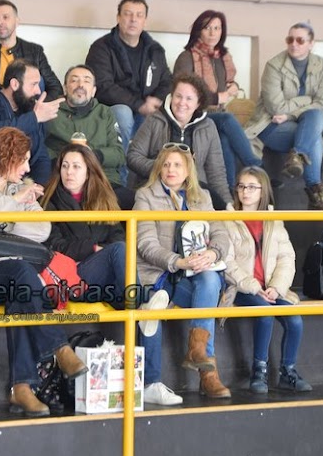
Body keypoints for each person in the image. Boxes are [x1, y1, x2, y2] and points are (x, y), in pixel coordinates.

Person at [0, 127, 87, 417]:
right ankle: (59, 348)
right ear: (7, 157)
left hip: (18, 275)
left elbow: (41, 230)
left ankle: (21, 388)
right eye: (23, 160)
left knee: (21, 290)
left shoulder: (20, 188)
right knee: (22, 273)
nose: (28, 168)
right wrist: (14, 205)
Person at [135, 143, 232, 400]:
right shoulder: (145, 196)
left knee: (210, 280)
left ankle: (200, 358)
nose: (171, 169)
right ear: (159, 168)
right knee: (156, 306)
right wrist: (179, 262)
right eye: (166, 164)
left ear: (188, 170)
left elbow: (221, 234)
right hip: (160, 274)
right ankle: (201, 374)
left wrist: (212, 254)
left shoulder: (203, 197)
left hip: (194, 276)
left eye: (177, 165)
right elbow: (145, 245)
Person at [224, 166, 310, 393]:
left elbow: (286, 258)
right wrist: (254, 287)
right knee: (265, 312)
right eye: (242, 186)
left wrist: (276, 287)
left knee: (295, 320)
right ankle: (258, 372)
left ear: (263, 191)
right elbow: (227, 262)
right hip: (241, 288)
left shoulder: (273, 220)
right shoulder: (226, 219)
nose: (246, 192)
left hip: (271, 288)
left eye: (252, 187)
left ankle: (288, 372)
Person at [245, 22, 323, 210]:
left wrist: (290, 115)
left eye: (300, 40)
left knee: (316, 115)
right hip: (270, 125)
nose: (294, 44)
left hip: (299, 124)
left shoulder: (321, 65)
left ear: (311, 43)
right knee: (314, 135)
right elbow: (276, 107)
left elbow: (322, 102)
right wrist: (307, 100)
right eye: (290, 39)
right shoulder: (274, 65)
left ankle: (297, 155)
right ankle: (316, 194)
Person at [174, 10, 261, 189]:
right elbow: (181, 92)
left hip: (216, 116)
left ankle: (228, 192)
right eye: (207, 28)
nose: (213, 33)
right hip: (193, 116)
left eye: (217, 28)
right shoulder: (187, 57)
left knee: (224, 140)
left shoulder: (222, 57)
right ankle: (256, 167)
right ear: (198, 30)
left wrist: (233, 86)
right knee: (227, 119)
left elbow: (227, 83)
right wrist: (216, 97)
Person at [42, 143, 128, 311]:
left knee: (120, 253)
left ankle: (136, 309)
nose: (69, 172)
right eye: (65, 166)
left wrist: (101, 252)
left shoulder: (103, 198)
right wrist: (93, 248)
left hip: (101, 273)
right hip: (71, 275)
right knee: (118, 250)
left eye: (76, 167)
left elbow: (117, 234)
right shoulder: (49, 201)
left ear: (88, 172)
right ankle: (140, 305)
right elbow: (55, 245)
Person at [85, 0, 173, 159]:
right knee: (123, 113)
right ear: (118, 18)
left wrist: (156, 101)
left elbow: (167, 81)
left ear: (145, 21)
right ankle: (120, 171)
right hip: (112, 109)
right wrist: (139, 105)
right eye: (128, 14)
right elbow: (103, 86)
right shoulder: (101, 48)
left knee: (161, 117)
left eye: (139, 15)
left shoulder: (154, 50)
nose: (133, 20)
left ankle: (149, 171)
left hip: (145, 111)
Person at [128, 72, 232, 209]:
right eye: (178, 96)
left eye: (189, 98)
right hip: (155, 194)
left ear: (198, 103)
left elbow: (216, 173)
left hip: (195, 195)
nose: (182, 102)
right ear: (171, 97)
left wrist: (228, 205)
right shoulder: (154, 120)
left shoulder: (208, 127)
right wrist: (164, 169)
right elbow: (133, 156)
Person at [45, 64, 131, 207]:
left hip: (104, 181)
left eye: (86, 81)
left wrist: (94, 155)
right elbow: (40, 150)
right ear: (65, 88)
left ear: (94, 91)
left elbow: (119, 154)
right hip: (64, 182)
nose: (80, 85)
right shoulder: (51, 112)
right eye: (74, 80)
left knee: (133, 202)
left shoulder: (105, 113)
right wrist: (65, 159)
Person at [0, 0, 63, 100]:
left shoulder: (35, 52)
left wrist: (38, 105)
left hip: (29, 107)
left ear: (17, 21)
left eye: (5, 17)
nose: (0, 22)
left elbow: (55, 88)